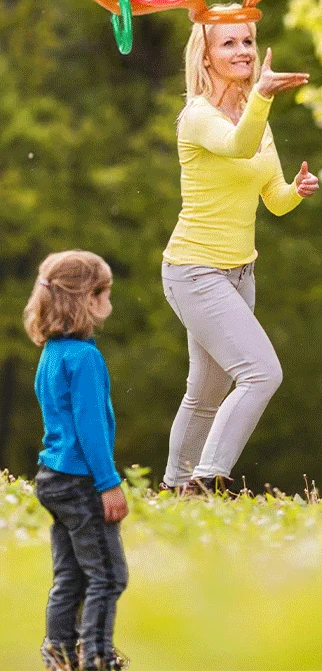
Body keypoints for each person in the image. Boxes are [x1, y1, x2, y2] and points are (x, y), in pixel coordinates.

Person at [160, 7, 320, 495]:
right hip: (194, 270)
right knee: (261, 373)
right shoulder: (197, 117)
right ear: (205, 56)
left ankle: (171, 489)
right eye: (228, 43)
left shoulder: (257, 117)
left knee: (207, 393)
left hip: (239, 274)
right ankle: (205, 481)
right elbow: (236, 146)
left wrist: (297, 189)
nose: (242, 52)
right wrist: (265, 98)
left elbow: (273, 201)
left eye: (247, 42)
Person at [26, 250, 129, 671]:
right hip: (80, 480)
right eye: (105, 293)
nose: (110, 302)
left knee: (70, 576)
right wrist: (108, 483)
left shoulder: (53, 351)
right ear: (88, 299)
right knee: (108, 576)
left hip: (51, 477)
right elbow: (90, 428)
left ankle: (60, 654)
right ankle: (97, 658)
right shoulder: (85, 358)